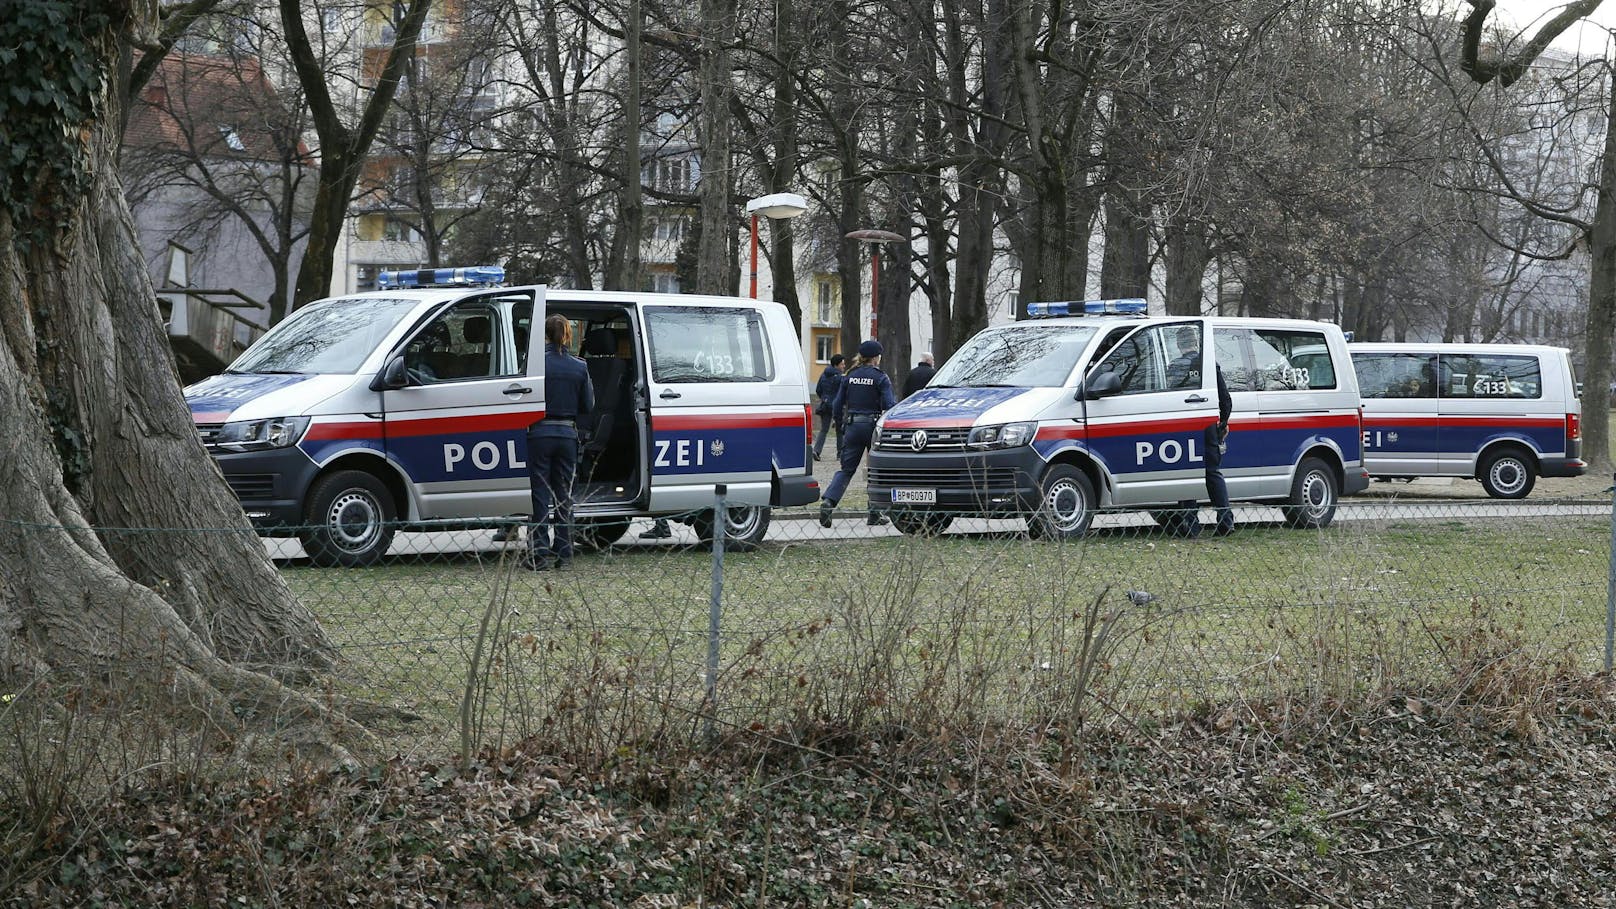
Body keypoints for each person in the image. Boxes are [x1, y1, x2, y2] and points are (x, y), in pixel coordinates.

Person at [527, 314, 594, 569]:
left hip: (539, 433)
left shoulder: (536, 365)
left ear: (544, 334)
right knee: (564, 496)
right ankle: (564, 554)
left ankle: (539, 554)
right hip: (567, 434)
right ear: (567, 335)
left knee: (540, 495)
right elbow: (588, 406)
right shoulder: (579, 367)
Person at [819, 340, 896, 528]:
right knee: (876, 470)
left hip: (853, 427)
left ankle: (829, 501)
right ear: (876, 357)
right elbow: (888, 405)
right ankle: (874, 512)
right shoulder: (880, 377)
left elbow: (837, 404)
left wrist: (841, 424)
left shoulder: (849, 376)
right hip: (872, 427)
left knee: (846, 470)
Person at [1167, 327, 1233, 538]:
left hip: (1184, 428)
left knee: (1186, 473)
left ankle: (1190, 524)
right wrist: (1222, 424)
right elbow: (1226, 400)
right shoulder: (1210, 365)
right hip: (1208, 428)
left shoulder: (1175, 367)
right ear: (1196, 342)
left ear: (1179, 345)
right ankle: (1225, 521)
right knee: (1213, 473)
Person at [812, 354, 846, 460]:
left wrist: (824, 398)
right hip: (837, 406)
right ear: (836, 365)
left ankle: (816, 451)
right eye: (842, 364)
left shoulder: (824, 375)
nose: (844, 366)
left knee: (824, 430)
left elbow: (818, 389)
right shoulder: (840, 378)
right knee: (839, 431)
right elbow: (843, 392)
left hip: (825, 405)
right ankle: (840, 454)